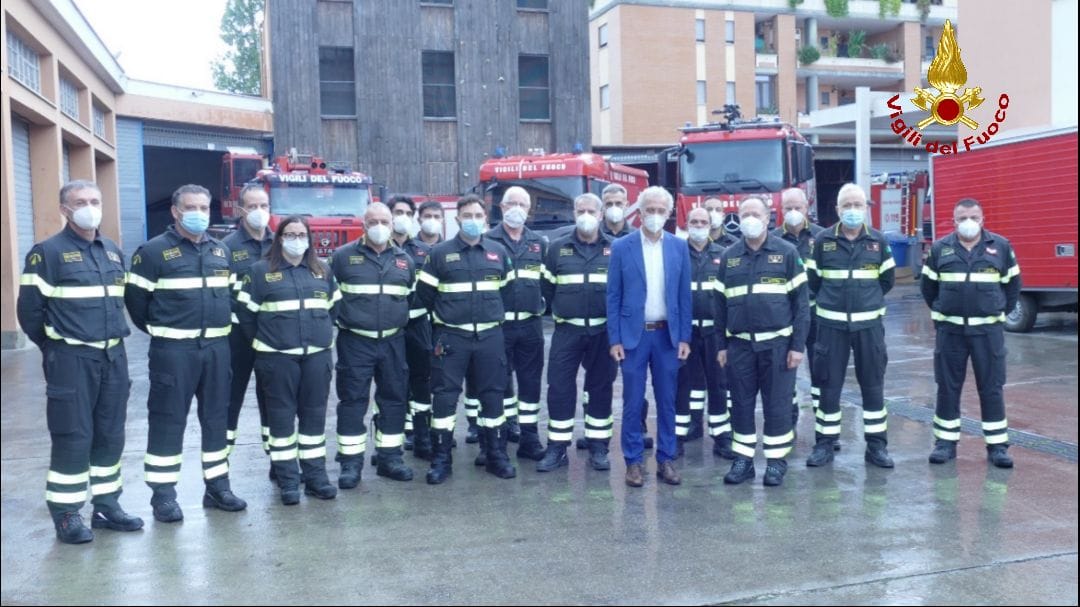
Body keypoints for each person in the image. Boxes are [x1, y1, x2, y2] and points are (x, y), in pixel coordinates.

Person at [17, 180, 144, 544]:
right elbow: (29, 313)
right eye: (80, 202)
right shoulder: (47, 253)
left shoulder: (112, 251)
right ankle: (68, 513)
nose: (90, 207)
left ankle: (106, 505)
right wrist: (57, 348)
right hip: (72, 358)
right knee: (73, 436)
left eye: (95, 200)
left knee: (110, 434)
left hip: (113, 356)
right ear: (64, 210)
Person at [125, 184, 247, 522]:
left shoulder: (221, 251)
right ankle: (163, 495)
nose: (199, 214)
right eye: (191, 208)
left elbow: (233, 298)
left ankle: (218, 486)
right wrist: (164, 331)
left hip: (217, 349)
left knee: (216, 420)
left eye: (204, 208)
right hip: (173, 351)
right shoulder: (151, 252)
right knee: (168, 421)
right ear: (176, 212)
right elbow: (136, 304)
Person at [237, 216, 340, 504]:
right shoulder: (259, 272)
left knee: (314, 418)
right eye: (290, 234)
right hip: (277, 360)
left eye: (302, 234)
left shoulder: (322, 271)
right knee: (281, 422)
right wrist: (263, 343)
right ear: (280, 238)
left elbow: (333, 309)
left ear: (309, 239)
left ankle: (316, 477)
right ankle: (288, 481)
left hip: (316, 359)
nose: (297, 239)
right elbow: (246, 315)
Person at [415, 194, 517, 484]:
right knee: (445, 400)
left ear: (485, 219)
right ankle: (441, 460)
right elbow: (425, 296)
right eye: (467, 215)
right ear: (457, 219)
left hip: (490, 337)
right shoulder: (439, 254)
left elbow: (507, 294)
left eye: (478, 215)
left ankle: (496, 455)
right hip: (451, 339)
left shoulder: (498, 252)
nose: (473, 220)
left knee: (493, 397)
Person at [716, 197, 810, 487]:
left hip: (778, 347)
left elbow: (802, 306)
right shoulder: (729, 256)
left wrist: (797, 346)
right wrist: (721, 346)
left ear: (768, 217)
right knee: (741, 405)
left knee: (777, 406)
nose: (750, 219)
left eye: (755, 213)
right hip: (740, 346)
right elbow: (719, 306)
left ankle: (776, 461)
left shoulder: (787, 253)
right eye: (745, 214)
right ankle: (743, 461)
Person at [920, 198, 1021, 468]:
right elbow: (928, 289)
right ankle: (945, 443)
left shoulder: (1000, 247)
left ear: (982, 219)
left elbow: (1012, 288)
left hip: (988, 332)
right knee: (948, 387)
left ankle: (997, 446)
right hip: (950, 331)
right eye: (962, 217)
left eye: (974, 217)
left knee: (991, 388)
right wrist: (944, 312)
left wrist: (995, 312)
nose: (968, 222)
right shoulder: (940, 249)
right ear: (953, 221)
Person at [806, 183, 896, 469]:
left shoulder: (879, 242)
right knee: (828, 386)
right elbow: (813, 281)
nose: (853, 211)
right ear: (837, 209)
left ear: (866, 208)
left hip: (868, 327)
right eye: (847, 205)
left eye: (858, 205)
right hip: (831, 327)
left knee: (873, 386)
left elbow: (887, 281)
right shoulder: (822, 241)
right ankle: (825, 444)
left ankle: (877, 447)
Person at [607, 186, 692, 487]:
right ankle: (633, 462)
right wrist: (614, 339)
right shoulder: (622, 247)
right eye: (649, 210)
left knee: (667, 400)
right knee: (632, 401)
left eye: (660, 211)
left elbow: (684, 296)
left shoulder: (679, 247)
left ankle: (666, 459)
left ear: (668, 214)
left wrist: (684, 338)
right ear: (639, 212)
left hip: (667, 336)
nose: (654, 215)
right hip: (633, 338)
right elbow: (613, 296)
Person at [331, 202, 417, 486]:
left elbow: (411, 299)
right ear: (363, 224)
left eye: (385, 221)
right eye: (373, 221)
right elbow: (329, 299)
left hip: (393, 341)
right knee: (353, 401)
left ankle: (390, 458)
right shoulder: (342, 258)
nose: (379, 226)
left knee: (394, 400)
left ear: (392, 225)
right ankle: (350, 464)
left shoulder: (404, 259)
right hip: (355, 342)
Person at [538, 193, 617, 472]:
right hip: (567, 331)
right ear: (574, 213)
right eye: (580, 210)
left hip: (603, 333)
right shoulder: (557, 249)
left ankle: (598, 446)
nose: (585, 215)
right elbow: (546, 288)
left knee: (600, 388)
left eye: (590, 211)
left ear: (600, 215)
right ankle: (557, 448)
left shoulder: (615, 248)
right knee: (559, 388)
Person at [485, 186, 548, 461]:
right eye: (512, 203)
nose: (517, 209)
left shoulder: (539, 243)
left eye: (523, 205)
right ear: (501, 207)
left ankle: (529, 436)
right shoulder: (488, 242)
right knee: (497, 383)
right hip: (499, 327)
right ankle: (498, 438)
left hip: (531, 326)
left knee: (530, 382)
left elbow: (549, 283)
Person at [676, 207, 733, 459]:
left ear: (711, 226)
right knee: (684, 385)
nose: (699, 226)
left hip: (714, 333)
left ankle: (721, 437)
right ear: (686, 224)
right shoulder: (676, 254)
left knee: (718, 385)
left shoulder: (724, 254)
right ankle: (681, 434)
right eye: (694, 221)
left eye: (703, 222)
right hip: (685, 334)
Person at [223, 184, 274, 469]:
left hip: (271, 337)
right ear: (241, 210)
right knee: (230, 399)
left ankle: (278, 462)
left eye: (264, 206)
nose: (259, 212)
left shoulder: (280, 244)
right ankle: (220, 468)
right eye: (252, 206)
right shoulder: (226, 248)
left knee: (273, 399)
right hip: (236, 340)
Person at [772, 188, 825, 435]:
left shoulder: (822, 238)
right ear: (781, 210)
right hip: (785, 318)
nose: (793, 213)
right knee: (785, 373)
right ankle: (788, 423)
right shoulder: (772, 240)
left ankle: (824, 428)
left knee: (821, 373)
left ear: (807, 207)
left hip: (816, 317)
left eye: (798, 208)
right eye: (788, 208)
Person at [389, 195, 436, 460]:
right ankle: (389, 445)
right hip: (389, 329)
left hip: (418, 326)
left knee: (421, 384)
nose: (402, 217)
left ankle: (422, 438)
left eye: (407, 212)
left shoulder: (424, 252)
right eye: (397, 212)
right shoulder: (378, 249)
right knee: (391, 386)